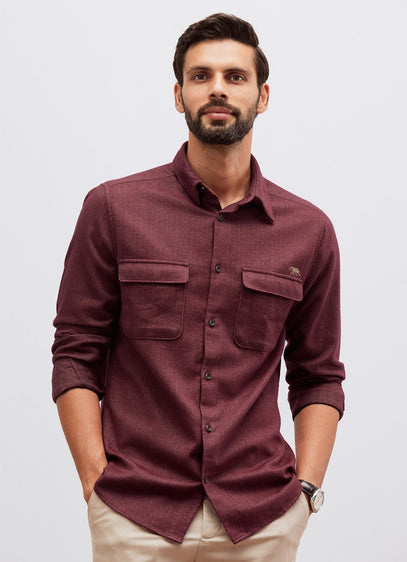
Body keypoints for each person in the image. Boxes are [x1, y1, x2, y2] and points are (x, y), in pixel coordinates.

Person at [52, 12, 345, 562]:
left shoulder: (309, 231)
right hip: (135, 515)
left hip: (261, 520)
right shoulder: (113, 209)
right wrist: (96, 483)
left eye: (235, 76)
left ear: (262, 96)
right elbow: (75, 352)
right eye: (200, 75)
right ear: (178, 94)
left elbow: (318, 375)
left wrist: (305, 492)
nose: (217, 88)